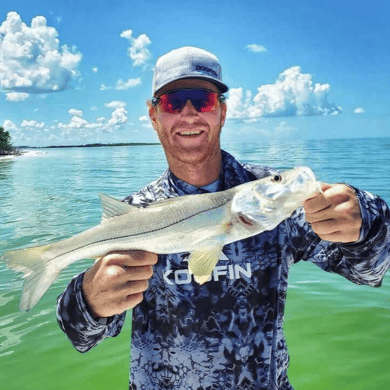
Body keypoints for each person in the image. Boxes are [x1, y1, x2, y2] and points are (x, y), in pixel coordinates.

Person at [56, 46, 390, 390]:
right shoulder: (135, 213)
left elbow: (369, 272)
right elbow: (82, 337)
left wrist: (367, 223)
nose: (189, 115)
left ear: (222, 112)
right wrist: (89, 297)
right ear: (154, 116)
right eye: (173, 102)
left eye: (203, 101)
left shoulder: (275, 203)